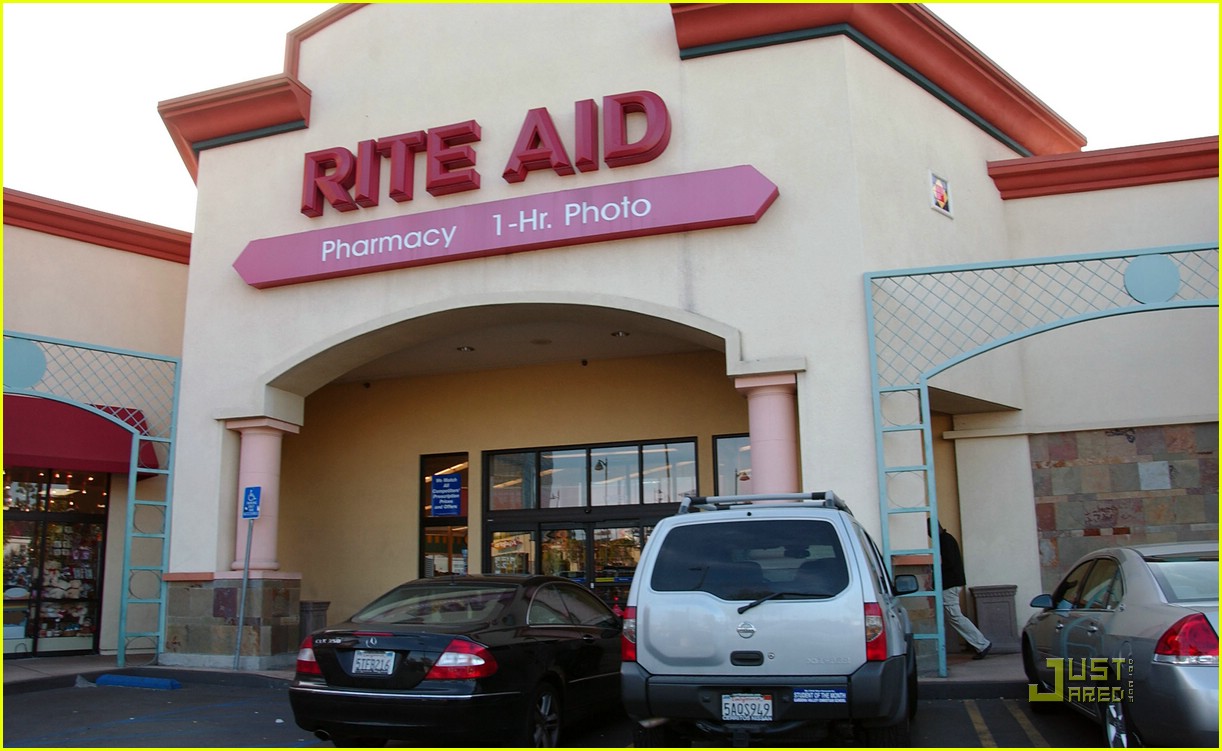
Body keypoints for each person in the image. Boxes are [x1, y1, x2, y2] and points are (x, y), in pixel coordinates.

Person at [930, 520, 991, 659]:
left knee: (955, 616)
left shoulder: (944, 540)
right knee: (953, 616)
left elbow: (948, 563)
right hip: (952, 584)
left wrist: (934, 570)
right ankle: (980, 643)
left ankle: (982, 644)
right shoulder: (947, 539)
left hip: (949, 584)